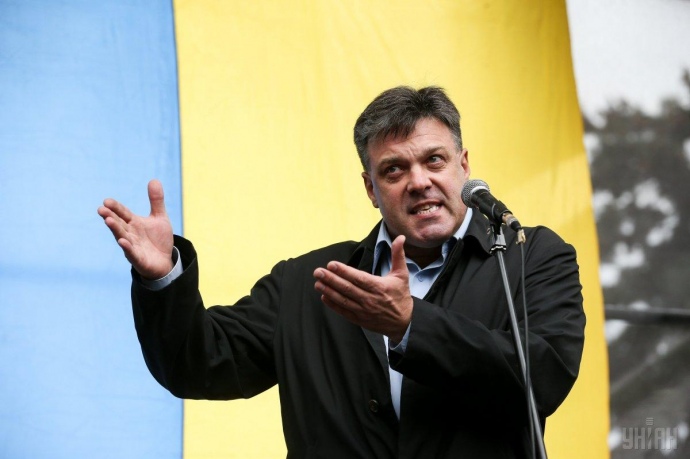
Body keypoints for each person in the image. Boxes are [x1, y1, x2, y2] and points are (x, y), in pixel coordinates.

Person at [98, 86, 585, 458]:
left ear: (463, 165)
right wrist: (164, 278)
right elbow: (199, 364)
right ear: (371, 189)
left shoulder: (530, 256)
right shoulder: (306, 282)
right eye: (394, 170)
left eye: (434, 160)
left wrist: (410, 325)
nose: (419, 181)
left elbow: (543, 376)